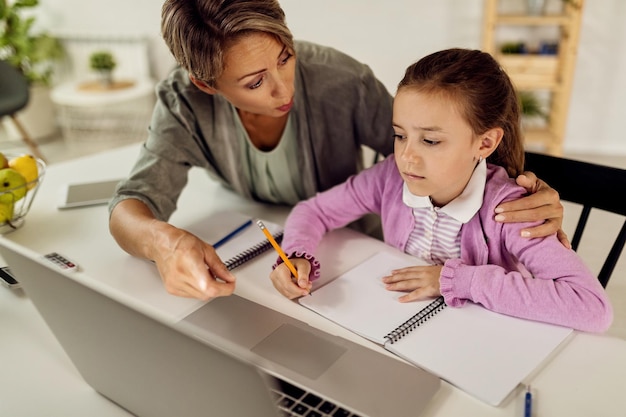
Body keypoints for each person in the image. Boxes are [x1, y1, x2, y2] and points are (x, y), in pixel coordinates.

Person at [109, 0, 566, 301]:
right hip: (265, 240)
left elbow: (445, 141)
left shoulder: (342, 80)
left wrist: (519, 188)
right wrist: (163, 242)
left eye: (285, 57)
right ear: (206, 84)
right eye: (253, 82)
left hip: (359, 247)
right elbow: (133, 203)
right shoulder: (181, 102)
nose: (282, 86)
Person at [270, 48, 613, 332]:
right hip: (401, 326)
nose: (405, 156)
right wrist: (297, 253)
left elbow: (593, 307)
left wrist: (457, 281)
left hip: (484, 336)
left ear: (485, 143)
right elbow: (313, 211)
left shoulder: (511, 211)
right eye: (400, 134)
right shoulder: (389, 177)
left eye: (430, 140)